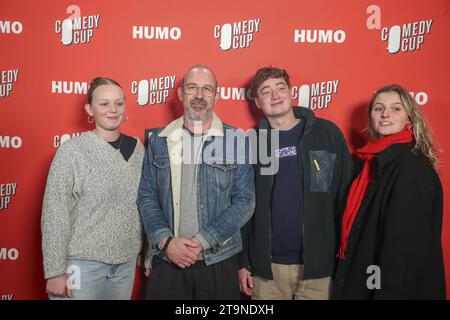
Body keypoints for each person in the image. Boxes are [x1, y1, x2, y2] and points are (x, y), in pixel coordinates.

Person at [138, 64, 255, 300]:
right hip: (167, 259)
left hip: (219, 260)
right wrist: (165, 241)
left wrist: (203, 240)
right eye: (192, 87)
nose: (199, 95)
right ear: (181, 94)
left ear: (215, 95)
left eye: (207, 89)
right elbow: (146, 195)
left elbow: (245, 200)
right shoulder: (160, 140)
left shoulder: (236, 140)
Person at [239, 67, 353, 300]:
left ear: (291, 93)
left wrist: (346, 259)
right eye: (266, 91)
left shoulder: (327, 134)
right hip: (266, 271)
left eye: (281, 88)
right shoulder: (251, 144)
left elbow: (347, 199)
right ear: (258, 102)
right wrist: (244, 263)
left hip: (318, 268)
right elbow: (242, 207)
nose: (275, 95)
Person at [332, 84, 446, 299]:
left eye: (396, 108)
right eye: (378, 108)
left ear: (409, 118)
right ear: (371, 117)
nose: (385, 114)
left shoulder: (410, 168)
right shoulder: (371, 162)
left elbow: (404, 251)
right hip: (367, 280)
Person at [41, 77, 147, 300]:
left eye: (118, 103)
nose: (112, 110)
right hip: (81, 264)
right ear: (90, 109)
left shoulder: (138, 150)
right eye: (104, 103)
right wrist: (55, 271)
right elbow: (55, 212)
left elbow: (145, 205)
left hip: (125, 263)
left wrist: (148, 256)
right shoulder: (72, 152)